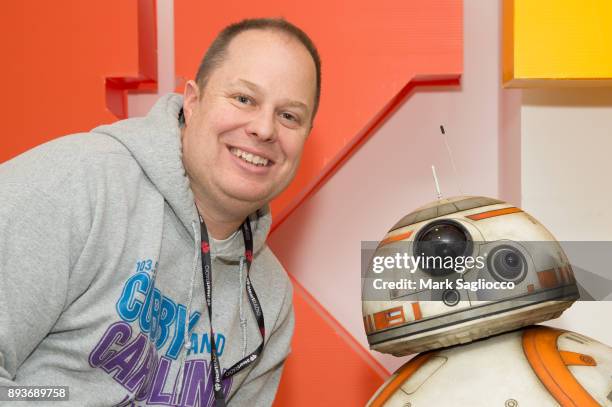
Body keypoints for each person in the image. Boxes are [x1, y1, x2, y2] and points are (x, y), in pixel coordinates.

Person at [0, 17, 321, 406]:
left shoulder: (268, 298)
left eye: (289, 115)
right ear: (193, 100)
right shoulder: (79, 184)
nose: (265, 128)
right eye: (244, 99)